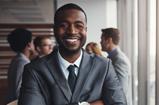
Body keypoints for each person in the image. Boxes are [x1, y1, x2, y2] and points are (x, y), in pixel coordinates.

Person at [18, 3, 126, 105]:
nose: (72, 31)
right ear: (54, 30)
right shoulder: (34, 70)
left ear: (86, 30)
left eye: (79, 25)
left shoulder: (104, 66)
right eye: (64, 25)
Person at [100, 28, 132, 105]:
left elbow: (120, 90)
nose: (100, 42)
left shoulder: (119, 60)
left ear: (109, 40)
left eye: (102, 39)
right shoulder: (111, 58)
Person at [6, 28, 34, 103]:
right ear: (29, 45)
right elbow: (19, 92)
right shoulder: (22, 63)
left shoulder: (18, 60)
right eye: (32, 41)